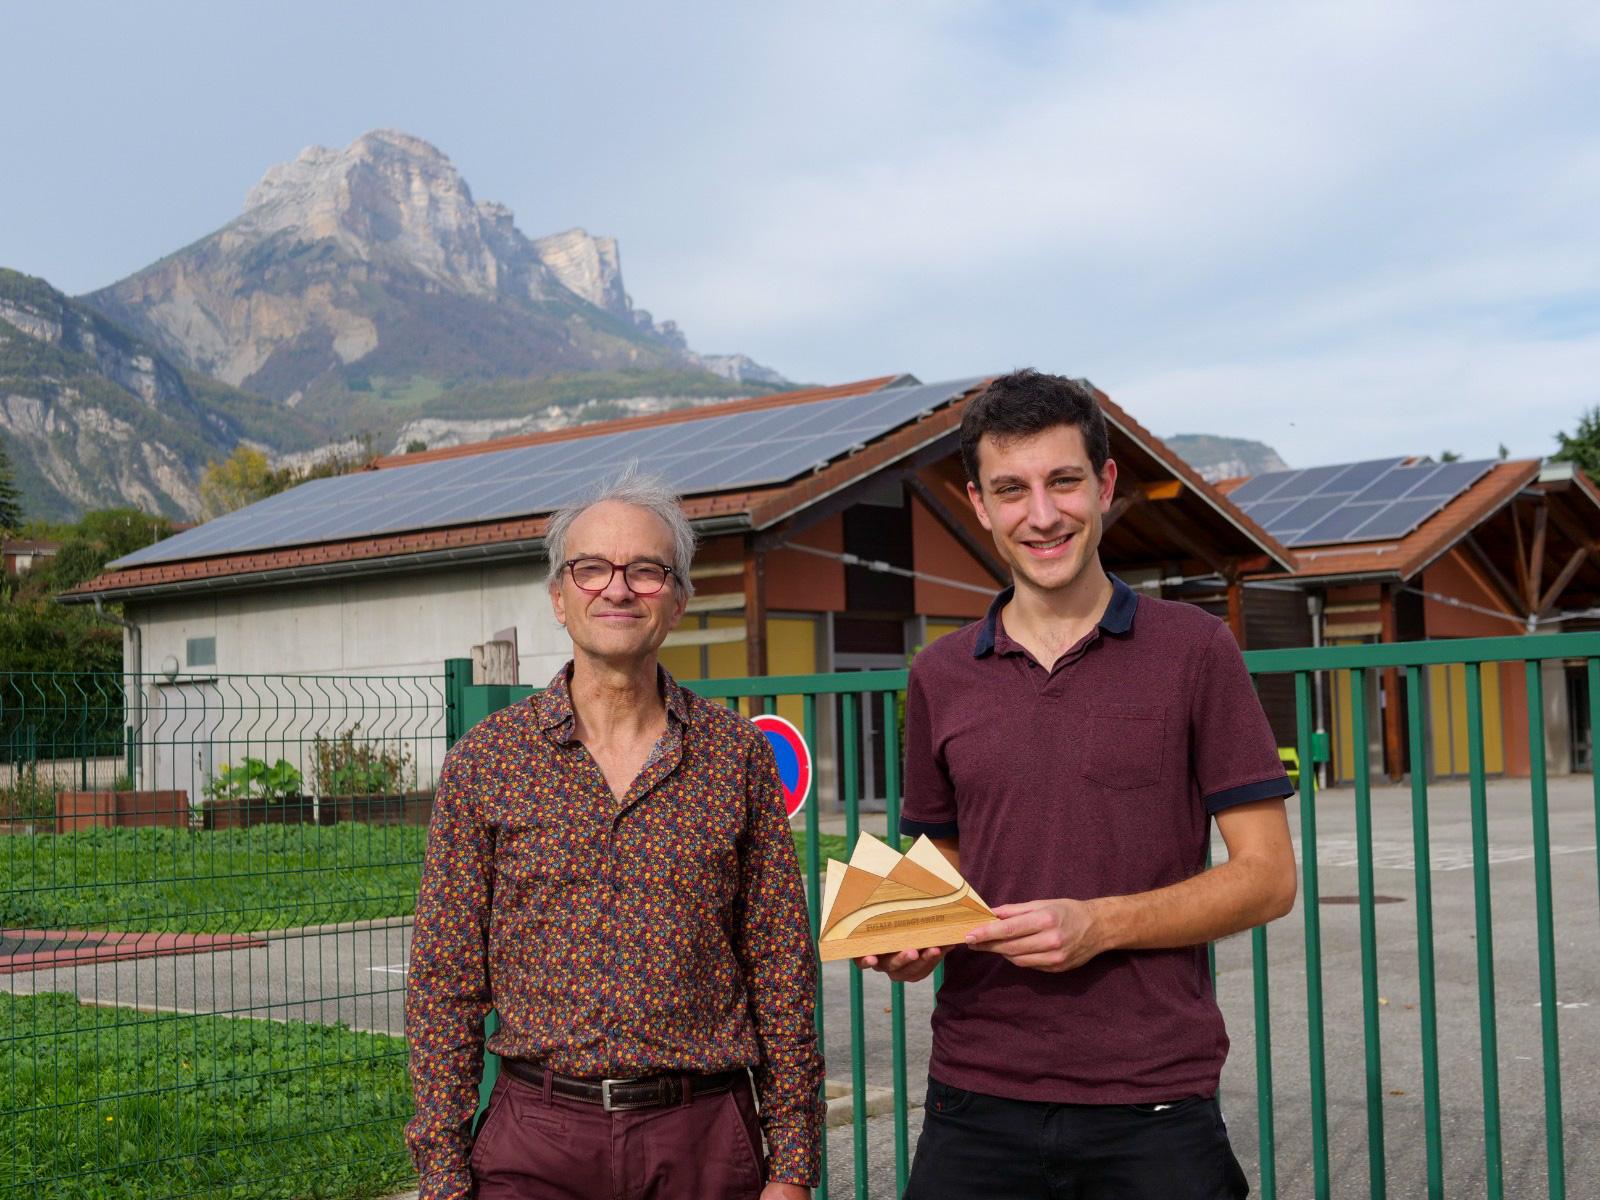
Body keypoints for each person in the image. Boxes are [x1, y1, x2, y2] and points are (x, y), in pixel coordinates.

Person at [864, 370, 1297, 1199]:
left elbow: (1268, 877)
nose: (1042, 514)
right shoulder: (939, 674)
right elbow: (943, 856)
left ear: (1103, 486)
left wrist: (1100, 924)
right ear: (979, 505)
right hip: (973, 1095)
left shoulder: (1196, 650)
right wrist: (910, 936)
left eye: (1063, 481)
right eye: (1011, 490)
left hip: (1153, 1101)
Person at [405, 471, 823, 1200]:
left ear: (679, 600)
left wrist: (791, 1166)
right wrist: (443, 1175)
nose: (618, 589)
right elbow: (445, 980)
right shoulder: (486, 762)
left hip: (702, 1142)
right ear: (559, 598)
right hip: (534, 1141)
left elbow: (781, 967)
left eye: (647, 571)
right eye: (591, 568)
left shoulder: (736, 758)